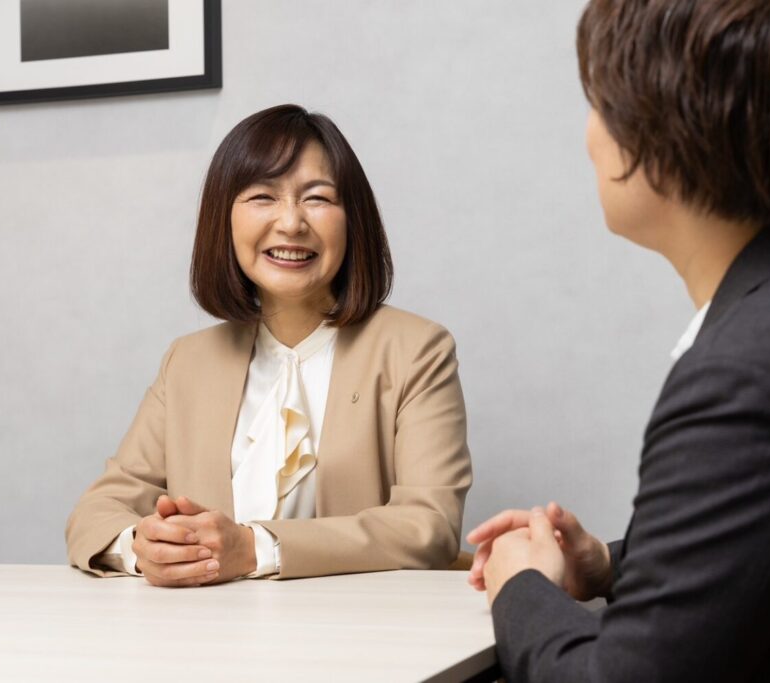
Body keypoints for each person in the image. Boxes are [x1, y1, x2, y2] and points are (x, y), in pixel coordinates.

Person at [468, 0, 770, 680]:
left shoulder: (752, 377)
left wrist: (521, 584)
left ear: (664, 144)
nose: (588, 136)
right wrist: (612, 564)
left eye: (600, 104)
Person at [66, 105, 471, 586]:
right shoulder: (187, 362)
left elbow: (429, 524)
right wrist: (141, 546)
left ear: (352, 219)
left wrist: (254, 548)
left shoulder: (416, 350)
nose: (291, 223)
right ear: (225, 220)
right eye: (262, 197)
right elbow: (97, 511)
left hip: (358, 634)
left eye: (317, 198)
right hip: (207, 636)